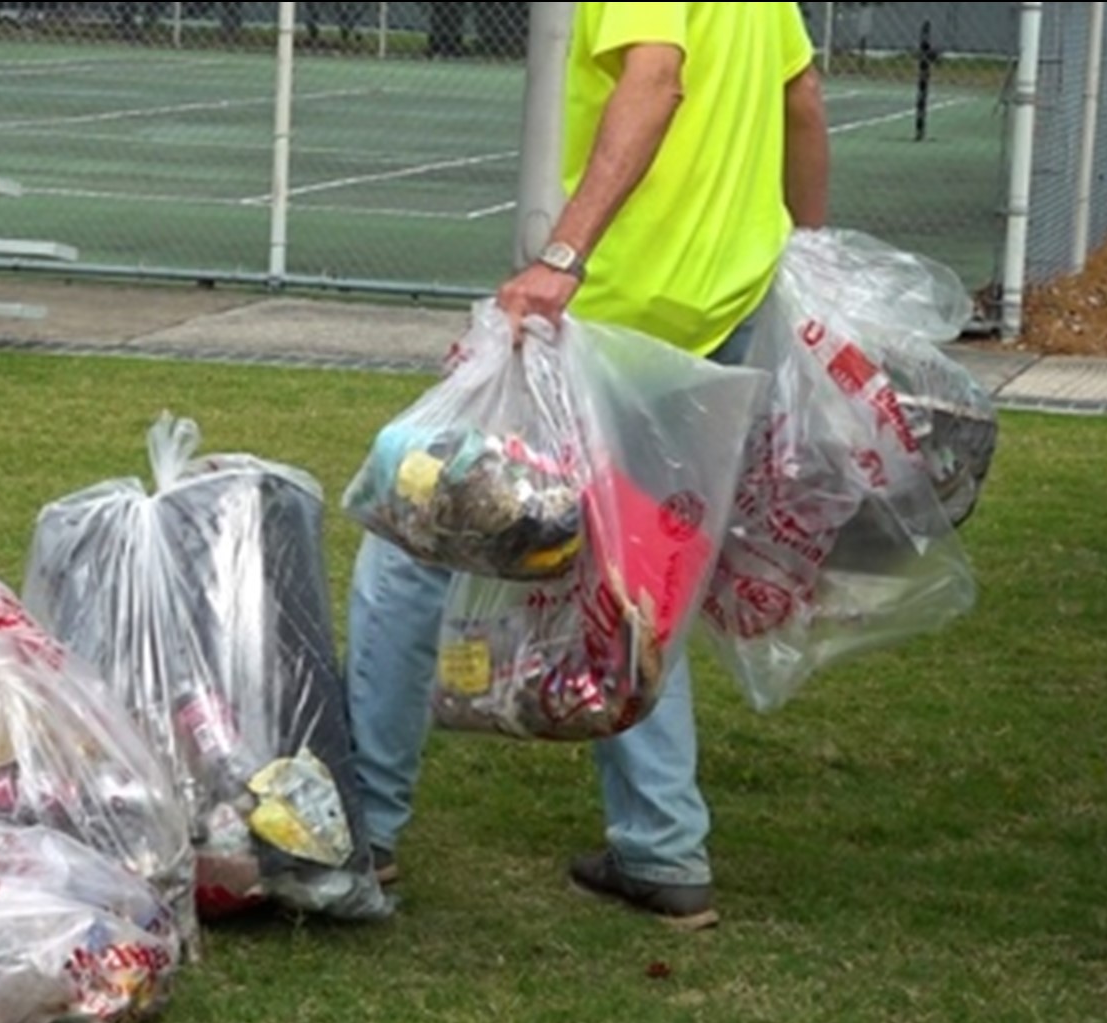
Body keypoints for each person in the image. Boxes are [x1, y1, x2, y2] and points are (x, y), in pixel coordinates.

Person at [346, 2, 830, 930]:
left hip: (617, 314)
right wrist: (812, 255)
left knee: (410, 537)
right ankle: (661, 849)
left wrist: (562, 257)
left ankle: (364, 826)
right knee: (635, 573)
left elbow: (655, 78)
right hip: (724, 306)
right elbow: (801, 100)